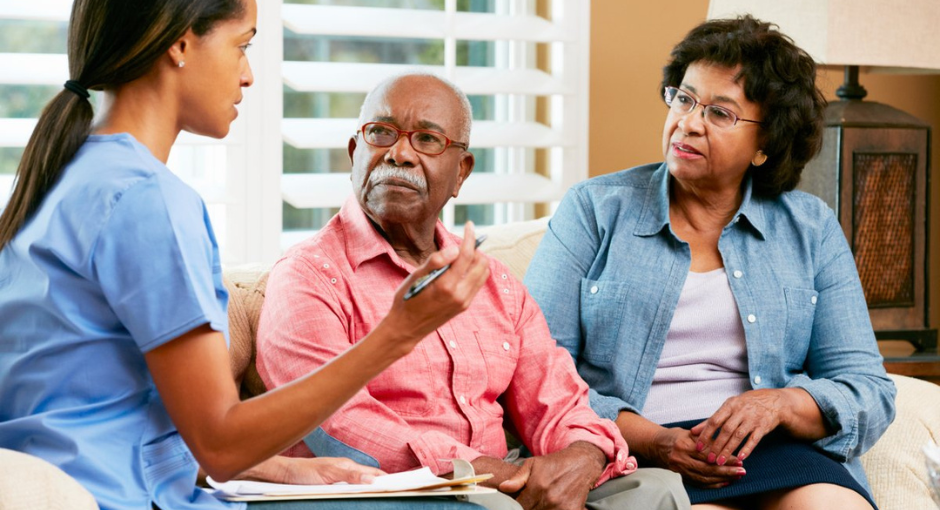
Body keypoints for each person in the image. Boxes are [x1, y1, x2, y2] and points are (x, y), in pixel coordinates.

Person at [0, 2, 490, 510]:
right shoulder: (149, 201)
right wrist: (399, 333)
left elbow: (98, 412)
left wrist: (285, 469)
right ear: (180, 44)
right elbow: (220, 443)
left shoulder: (58, 178)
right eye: (242, 45)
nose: (249, 75)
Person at [255, 73, 690, 510]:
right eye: (381, 133)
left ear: (461, 172)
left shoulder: (495, 283)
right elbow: (339, 424)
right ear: (355, 152)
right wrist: (493, 473)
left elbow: (557, 399)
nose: (400, 154)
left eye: (427, 139)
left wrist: (582, 455)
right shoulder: (309, 275)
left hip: (500, 480)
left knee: (655, 491)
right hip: (384, 487)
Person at [523, 15, 896, 510]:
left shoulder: (811, 227)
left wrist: (780, 404)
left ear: (764, 146)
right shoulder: (593, 209)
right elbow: (538, 372)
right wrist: (655, 440)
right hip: (642, 453)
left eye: (720, 113)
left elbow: (868, 388)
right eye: (684, 98)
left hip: (775, 448)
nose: (689, 122)